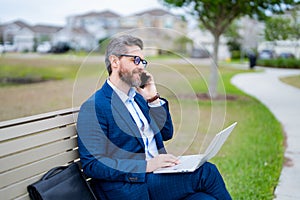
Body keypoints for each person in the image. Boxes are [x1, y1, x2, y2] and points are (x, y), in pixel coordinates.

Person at [77, 34, 232, 200]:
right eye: (135, 60)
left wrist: (153, 99)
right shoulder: (94, 106)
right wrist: (146, 166)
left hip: (158, 177)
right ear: (114, 62)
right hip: (131, 186)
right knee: (206, 171)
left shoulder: (138, 98)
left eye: (143, 62)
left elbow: (166, 133)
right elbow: (93, 165)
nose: (141, 67)